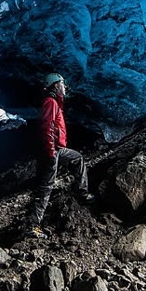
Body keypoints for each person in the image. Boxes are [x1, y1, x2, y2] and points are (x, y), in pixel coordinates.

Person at [28, 72, 92, 231]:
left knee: (77, 158)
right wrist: (50, 153)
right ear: (56, 86)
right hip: (52, 152)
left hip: (58, 150)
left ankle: (82, 193)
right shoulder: (50, 102)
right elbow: (46, 127)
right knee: (45, 188)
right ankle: (32, 226)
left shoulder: (55, 102)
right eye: (62, 84)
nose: (65, 87)